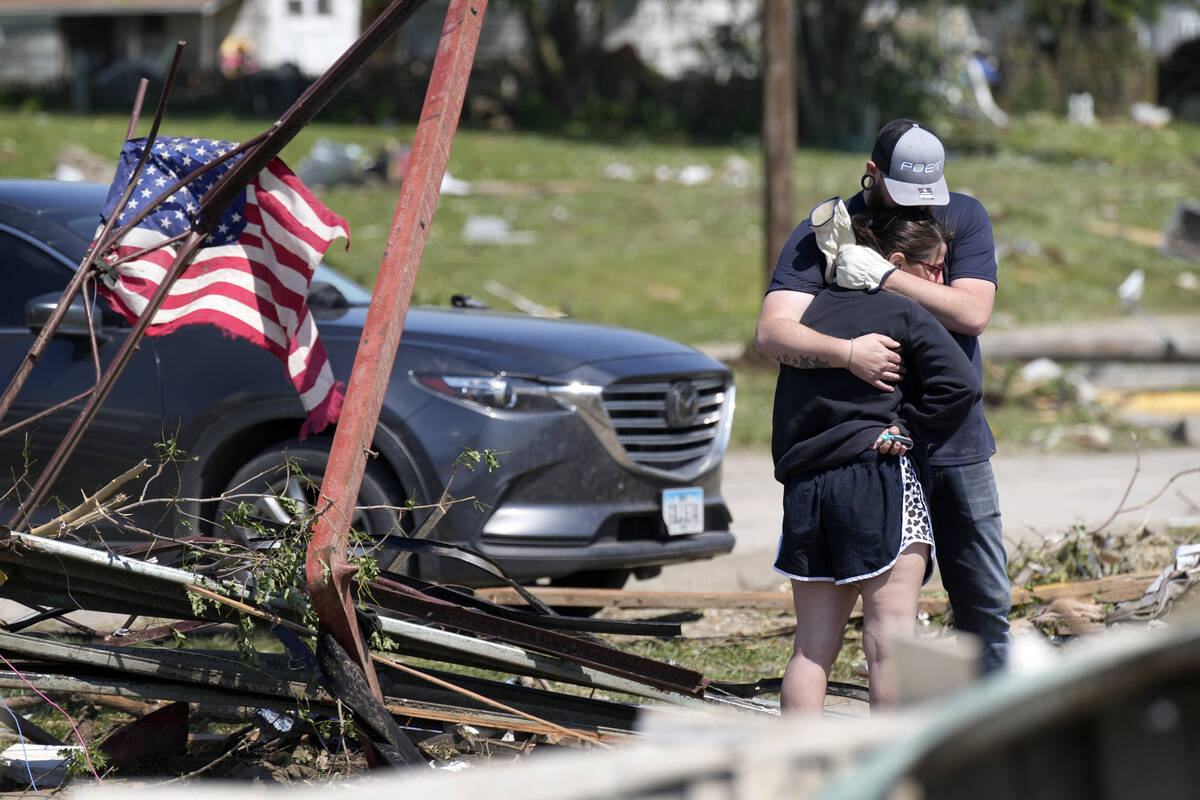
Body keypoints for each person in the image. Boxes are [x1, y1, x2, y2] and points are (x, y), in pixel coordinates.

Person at [756, 119, 1009, 673]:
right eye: (906, 194)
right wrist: (846, 353)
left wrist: (884, 278)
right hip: (869, 451)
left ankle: (993, 731)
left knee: (984, 600)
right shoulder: (825, 231)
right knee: (884, 625)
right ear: (872, 174)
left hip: (953, 440)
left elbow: (973, 312)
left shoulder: (963, 216)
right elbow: (774, 333)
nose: (921, 210)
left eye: (929, 196)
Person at [774, 206, 980, 711]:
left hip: (807, 487)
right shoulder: (903, 311)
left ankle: (796, 782)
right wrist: (909, 428)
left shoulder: (812, 316)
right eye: (933, 268)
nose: (940, 280)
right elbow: (962, 385)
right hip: (878, 478)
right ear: (893, 262)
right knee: (889, 645)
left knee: (811, 648)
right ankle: (890, 781)